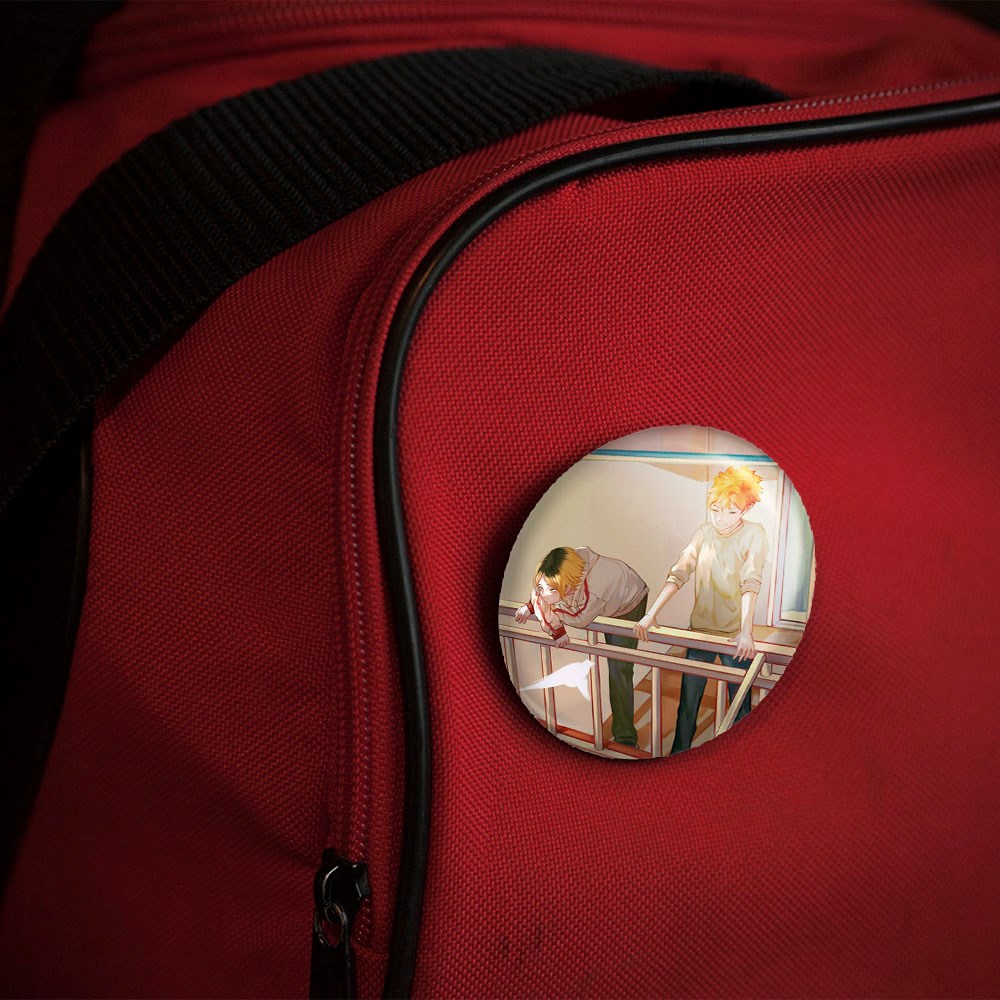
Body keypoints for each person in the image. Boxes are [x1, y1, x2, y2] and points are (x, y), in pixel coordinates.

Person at [634, 467, 768, 753]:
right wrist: (651, 613)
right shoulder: (704, 532)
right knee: (688, 705)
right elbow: (679, 572)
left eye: (731, 511)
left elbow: (750, 582)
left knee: (741, 707)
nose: (721, 518)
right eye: (715, 509)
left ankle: (739, 761)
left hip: (733, 636)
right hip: (699, 632)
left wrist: (746, 631)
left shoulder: (754, 534)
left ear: (747, 508)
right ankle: (679, 756)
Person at [515, 547, 648, 748]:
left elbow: (579, 619)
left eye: (552, 590)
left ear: (568, 588)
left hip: (630, 600)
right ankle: (624, 735)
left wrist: (548, 614)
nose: (544, 595)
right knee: (615, 665)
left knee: (619, 668)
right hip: (610, 591)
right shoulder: (562, 569)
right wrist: (533, 605)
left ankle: (625, 739)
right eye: (541, 587)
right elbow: (541, 596)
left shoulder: (594, 592)